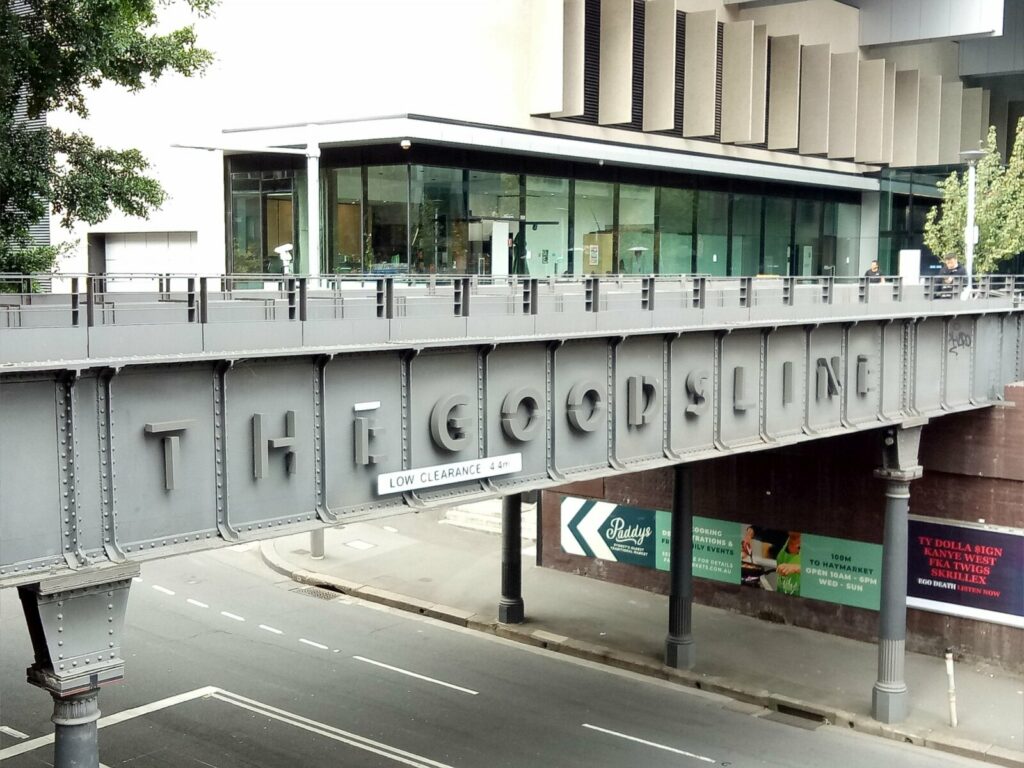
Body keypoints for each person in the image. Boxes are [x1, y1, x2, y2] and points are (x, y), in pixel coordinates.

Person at [774, 532, 802, 596]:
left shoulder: (813, 544)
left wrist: (796, 568)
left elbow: (819, 570)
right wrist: (749, 535)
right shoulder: (783, 538)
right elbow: (759, 531)